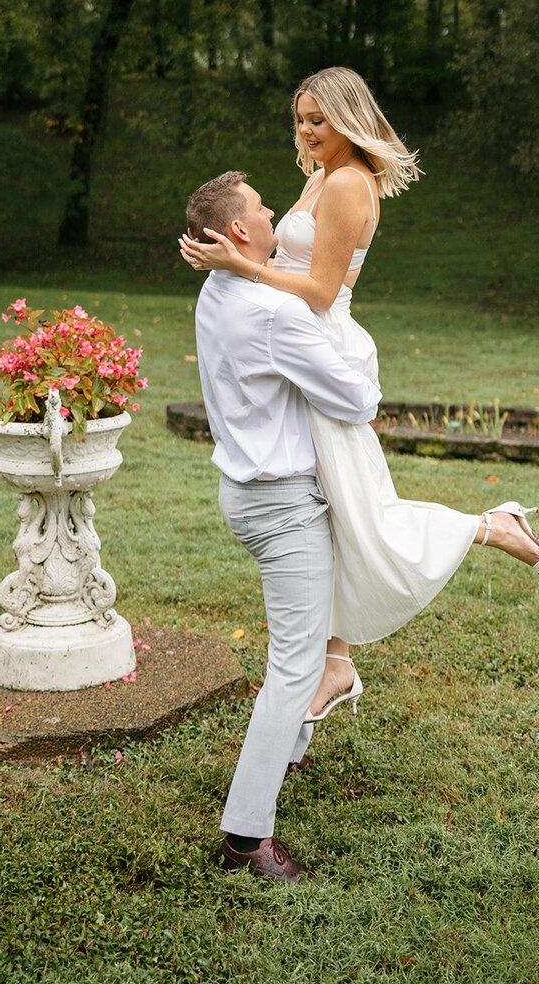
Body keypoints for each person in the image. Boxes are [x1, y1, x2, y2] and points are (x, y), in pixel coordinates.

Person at [181, 66, 539, 725]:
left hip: (319, 344)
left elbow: (322, 291)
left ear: (348, 117)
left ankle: (494, 527)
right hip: (291, 343)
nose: (305, 130)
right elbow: (288, 264)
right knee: (334, 512)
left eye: (318, 119)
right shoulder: (321, 175)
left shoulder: (351, 183)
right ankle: (336, 660)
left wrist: (243, 268)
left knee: (361, 513)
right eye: (299, 118)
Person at [186, 170, 382, 883]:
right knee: (294, 668)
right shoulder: (273, 312)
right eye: (263, 208)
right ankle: (246, 839)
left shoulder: (219, 292)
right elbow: (359, 400)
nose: (275, 212)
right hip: (283, 505)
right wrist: (353, 342)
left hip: (245, 491)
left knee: (300, 651)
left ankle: (285, 757)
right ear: (239, 232)